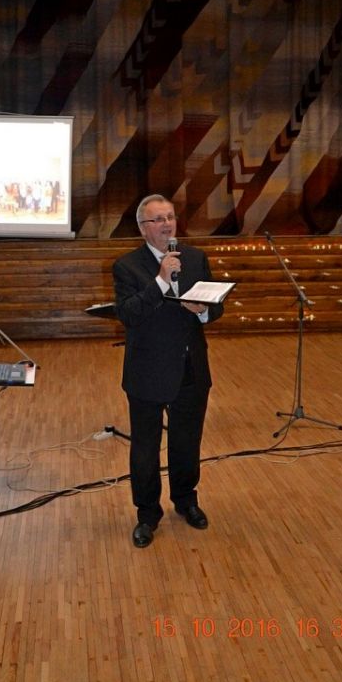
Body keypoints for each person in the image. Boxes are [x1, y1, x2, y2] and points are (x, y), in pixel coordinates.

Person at [112, 194, 224, 548]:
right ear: (143, 228)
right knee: (145, 448)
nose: (167, 224)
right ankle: (147, 514)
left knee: (187, 441)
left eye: (170, 217)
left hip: (191, 367)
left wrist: (203, 311)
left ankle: (186, 500)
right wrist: (161, 281)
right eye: (158, 219)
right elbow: (129, 314)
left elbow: (215, 307)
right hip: (148, 371)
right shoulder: (127, 266)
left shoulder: (195, 258)